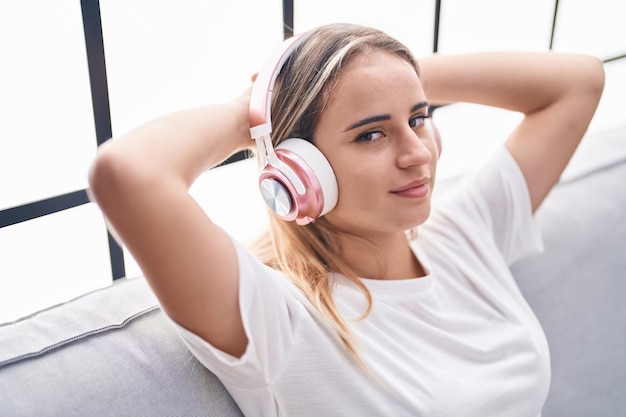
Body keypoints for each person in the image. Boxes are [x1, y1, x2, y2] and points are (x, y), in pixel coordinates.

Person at [88, 23, 604, 416]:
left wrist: (377, 70)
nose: (417, 154)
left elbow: (580, 81)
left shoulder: (465, 236)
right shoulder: (281, 322)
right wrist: (253, 108)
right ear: (300, 170)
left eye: (418, 119)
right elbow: (127, 175)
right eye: (371, 134)